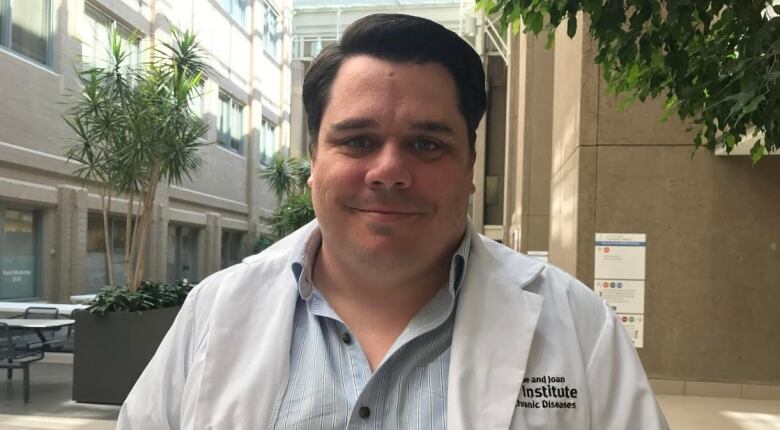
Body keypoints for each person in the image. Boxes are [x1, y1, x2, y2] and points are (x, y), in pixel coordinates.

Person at [118, 14, 669, 430]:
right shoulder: (214, 312)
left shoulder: (579, 328)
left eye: (426, 144)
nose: (388, 171)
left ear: (470, 167)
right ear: (314, 161)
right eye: (357, 141)